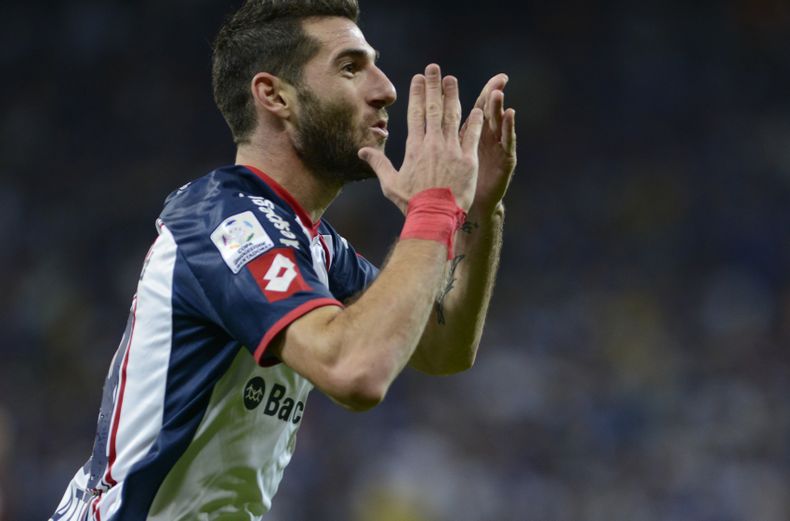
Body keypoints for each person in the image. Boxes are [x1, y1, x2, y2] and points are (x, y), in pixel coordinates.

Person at [50, 0, 516, 519]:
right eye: (350, 67)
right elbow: (356, 371)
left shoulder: (314, 244)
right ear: (274, 96)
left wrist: (478, 210)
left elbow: (442, 347)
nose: (385, 89)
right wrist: (431, 210)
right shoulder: (224, 222)